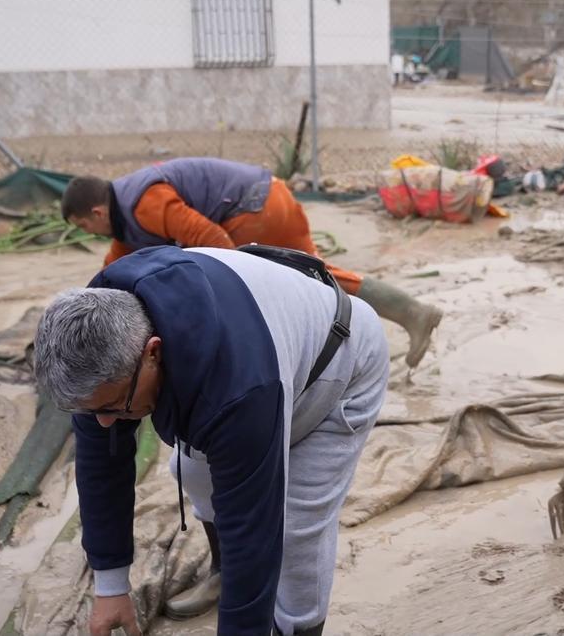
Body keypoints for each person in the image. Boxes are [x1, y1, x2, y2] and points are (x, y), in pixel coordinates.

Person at [34, 244, 389, 636]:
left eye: (114, 406)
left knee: (295, 527)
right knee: (192, 472)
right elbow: (101, 467)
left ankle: (299, 629)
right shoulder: (97, 327)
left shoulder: (237, 390)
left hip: (339, 361)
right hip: (270, 355)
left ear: (153, 353)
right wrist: (111, 586)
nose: (104, 422)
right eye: (92, 411)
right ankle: (221, 573)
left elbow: (251, 534)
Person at [61, 157, 441, 368]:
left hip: (254, 210)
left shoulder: (145, 202)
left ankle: (296, 365)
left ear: (97, 212)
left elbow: (211, 239)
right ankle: (411, 313)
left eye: (83, 226)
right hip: (270, 197)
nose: (88, 233)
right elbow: (111, 275)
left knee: (260, 294)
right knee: (319, 280)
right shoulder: (125, 222)